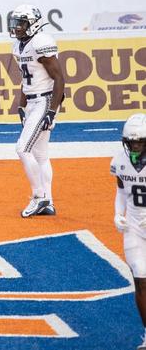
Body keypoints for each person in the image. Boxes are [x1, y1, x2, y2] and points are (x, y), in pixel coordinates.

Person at [8, 4, 65, 217]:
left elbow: (59, 78)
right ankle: (47, 201)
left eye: (21, 23)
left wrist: (52, 110)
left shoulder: (41, 42)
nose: (17, 28)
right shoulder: (19, 46)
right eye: (15, 23)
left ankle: (38, 197)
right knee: (40, 154)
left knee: (22, 148)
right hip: (33, 101)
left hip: (45, 100)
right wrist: (22, 104)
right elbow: (26, 79)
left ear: (33, 23)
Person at [115, 113, 146, 350]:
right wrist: (119, 213)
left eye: (139, 142)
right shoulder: (120, 161)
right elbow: (121, 190)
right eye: (131, 142)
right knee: (141, 281)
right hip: (134, 228)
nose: (134, 146)